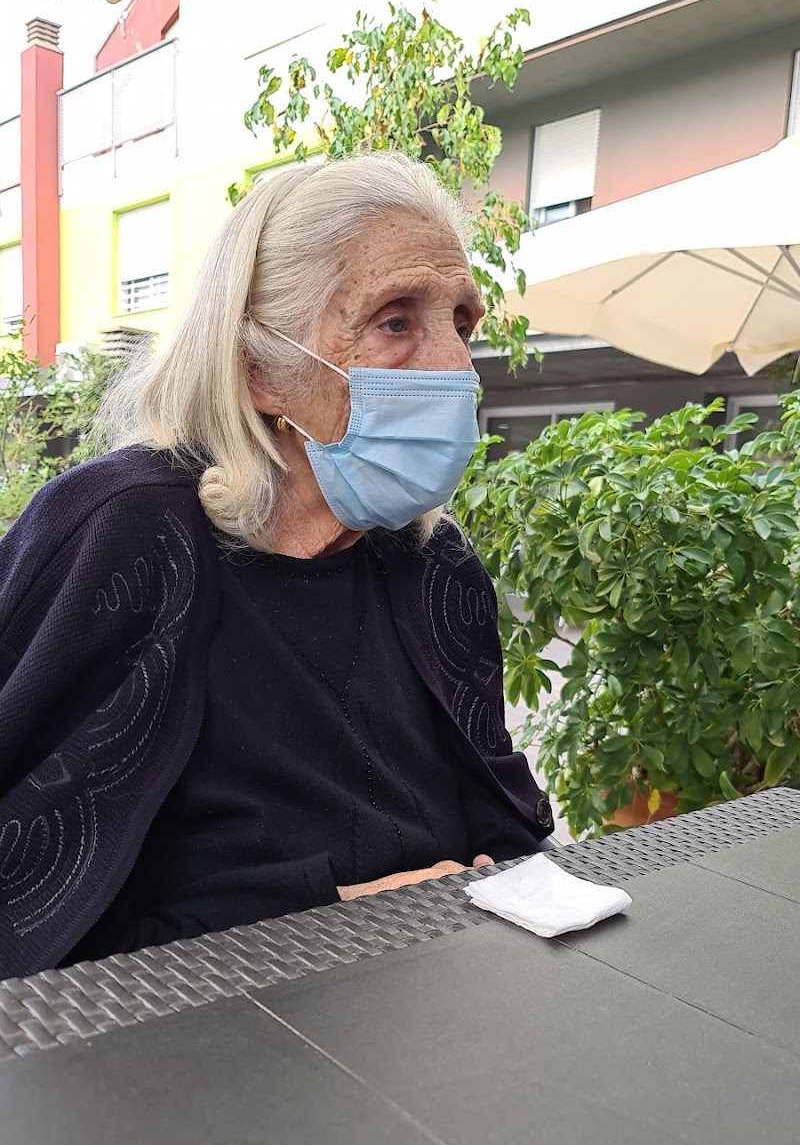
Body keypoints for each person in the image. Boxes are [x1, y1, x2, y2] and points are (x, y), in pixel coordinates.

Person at [0, 152, 554, 981]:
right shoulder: (124, 534)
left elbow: (506, 832)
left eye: (462, 324)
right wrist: (329, 915)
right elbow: (28, 908)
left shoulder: (436, 565)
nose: (457, 368)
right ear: (262, 370)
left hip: (431, 1013)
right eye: (395, 322)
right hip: (179, 1036)